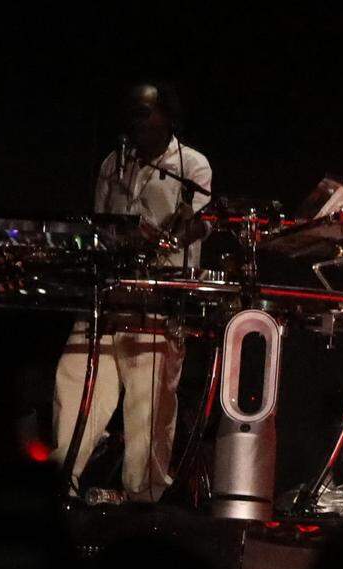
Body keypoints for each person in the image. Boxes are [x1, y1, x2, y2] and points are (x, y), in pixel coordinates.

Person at [51, 82, 212, 502]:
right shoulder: (112, 163)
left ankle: (144, 500)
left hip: (157, 299)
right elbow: (99, 223)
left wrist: (160, 238)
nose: (136, 122)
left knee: (148, 406)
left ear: (168, 118)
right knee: (75, 384)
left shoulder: (193, 165)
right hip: (110, 292)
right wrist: (117, 239)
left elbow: (200, 222)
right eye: (131, 114)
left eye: (145, 113)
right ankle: (62, 483)